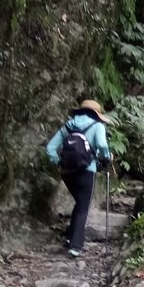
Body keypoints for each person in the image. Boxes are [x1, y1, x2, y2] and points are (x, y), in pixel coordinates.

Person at [46, 99, 112, 257]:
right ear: (96, 114)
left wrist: (59, 161)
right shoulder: (97, 126)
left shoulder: (68, 126)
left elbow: (50, 148)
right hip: (86, 171)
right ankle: (75, 246)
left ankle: (70, 238)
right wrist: (106, 157)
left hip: (67, 172)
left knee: (79, 203)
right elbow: (102, 145)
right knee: (83, 206)